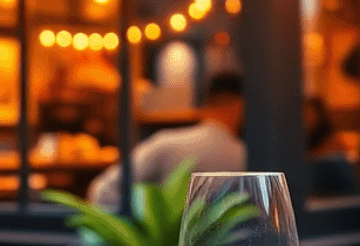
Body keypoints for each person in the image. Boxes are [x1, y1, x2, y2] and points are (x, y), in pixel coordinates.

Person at [86, 72, 246, 208]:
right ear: (238, 104)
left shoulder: (167, 141)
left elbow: (102, 190)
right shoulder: (242, 154)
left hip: (159, 243)